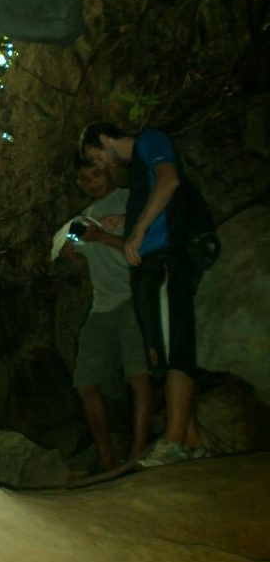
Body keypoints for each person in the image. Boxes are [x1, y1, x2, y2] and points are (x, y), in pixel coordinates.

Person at [78, 122, 208, 467]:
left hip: (166, 258)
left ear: (105, 139)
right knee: (162, 352)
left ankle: (173, 440)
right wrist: (130, 222)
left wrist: (137, 229)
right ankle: (192, 440)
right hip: (152, 264)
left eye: (97, 156)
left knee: (173, 345)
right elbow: (157, 194)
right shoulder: (137, 171)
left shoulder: (150, 140)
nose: (101, 166)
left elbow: (169, 181)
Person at [57, 158, 152, 472]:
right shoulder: (83, 220)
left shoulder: (129, 200)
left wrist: (104, 237)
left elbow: (145, 248)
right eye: (83, 178)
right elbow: (89, 264)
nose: (90, 182)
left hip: (132, 298)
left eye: (95, 172)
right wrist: (72, 257)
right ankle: (107, 459)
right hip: (101, 305)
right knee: (86, 381)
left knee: (138, 375)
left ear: (109, 169)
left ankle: (138, 455)